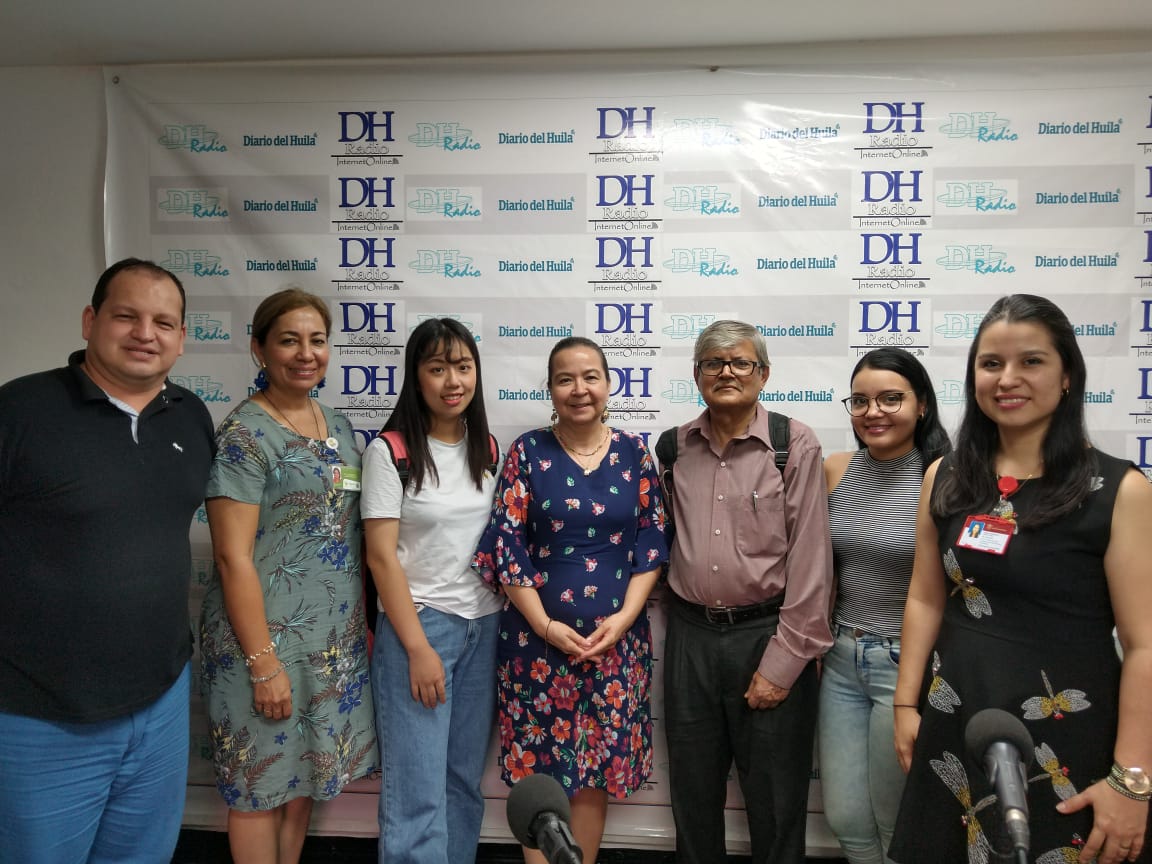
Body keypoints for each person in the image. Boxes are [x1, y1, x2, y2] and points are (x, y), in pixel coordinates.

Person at [890, 295, 1152, 864]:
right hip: (956, 721)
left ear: (1066, 378)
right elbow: (927, 597)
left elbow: (1144, 645)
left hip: (1069, 736)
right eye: (991, 364)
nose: (1007, 379)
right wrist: (906, 706)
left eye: (1030, 361)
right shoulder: (947, 475)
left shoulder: (1119, 490)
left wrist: (1132, 780)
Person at [0, 258, 214, 863]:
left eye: (164, 322)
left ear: (181, 337)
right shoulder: (20, 413)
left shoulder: (191, 417)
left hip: (161, 706)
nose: (145, 333)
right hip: (41, 718)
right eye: (127, 316)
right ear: (91, 321)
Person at [472, 336, 667, 864]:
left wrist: (625, 619)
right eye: (565, 379)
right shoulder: (527, 451)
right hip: (536, 648)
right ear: (551, 389)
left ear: (609, 384)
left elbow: (652, 539)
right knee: (542, 775)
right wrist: (544, 626)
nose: (579, 389)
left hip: (615, 646)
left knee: (593, 775)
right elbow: (505, 541)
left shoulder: (634, 450)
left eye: (590, 377)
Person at [198, 288, 376, 864]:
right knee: (259, 788)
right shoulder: (244, 435)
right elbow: (232, 558)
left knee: (303, 782)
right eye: (289, 340)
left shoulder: (341, 426)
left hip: (329, 647)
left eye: (317, 340)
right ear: (259, 348)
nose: (306, 353)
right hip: (263, 646)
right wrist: (262, 663)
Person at [661, 319, 833, 864]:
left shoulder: (792, 443)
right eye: (714, 363)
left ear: (763, 374)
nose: (727, 373)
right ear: (696, 374)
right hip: (689, 638)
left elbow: (812, 562)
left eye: (741, 363)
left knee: (778, 806)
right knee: (692, 798)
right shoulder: (672, 448)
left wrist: (784, 664)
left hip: (769, 635)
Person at [361, 318, 503, 864]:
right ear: (415, 376)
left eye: (463, 367)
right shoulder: (390, 452)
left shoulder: (486, 446)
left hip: (483, 627)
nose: (453, 380)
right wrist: (418, 648)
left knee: (462, 783)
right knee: (416, 791)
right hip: (420, 630)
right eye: (437, 367)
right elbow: (380, 557)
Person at [818, 348, 951, 864]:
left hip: (907, 665)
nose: (873, 411)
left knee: (898, 819)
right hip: (840, 659)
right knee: (846, 818)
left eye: (891, 399)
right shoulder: (835, 468)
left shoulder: (945, 475)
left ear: (921, 406)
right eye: (861, 400)